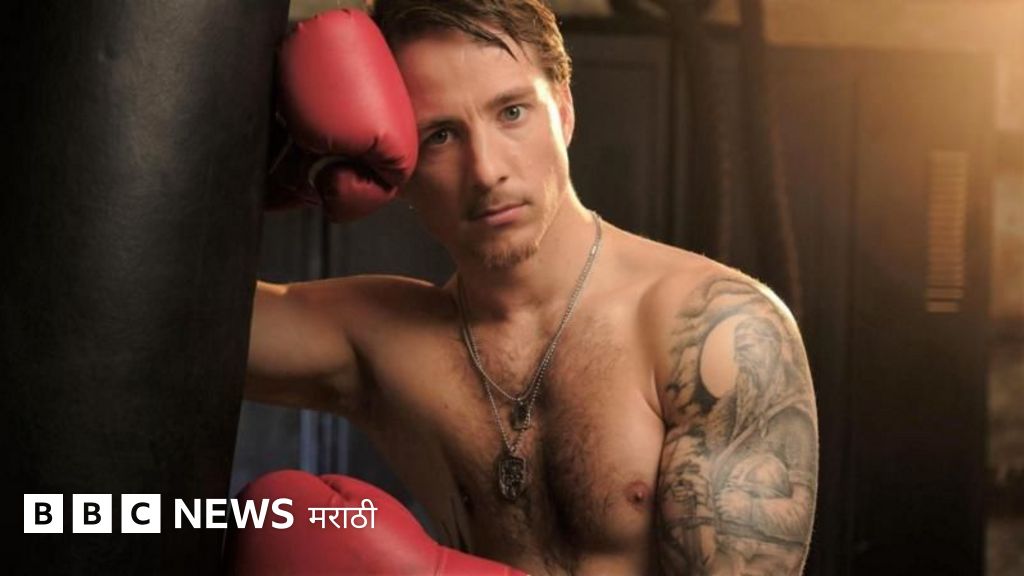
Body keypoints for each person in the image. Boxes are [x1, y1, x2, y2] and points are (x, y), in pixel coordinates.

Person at [243, 1, 818, 574]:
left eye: (512, 112)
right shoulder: (382, 341)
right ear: (396, 165)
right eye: (440, 135)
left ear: (563, 111)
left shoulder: (713, 331)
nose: (486, 170)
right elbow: (189, 329)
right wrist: (242, 169)